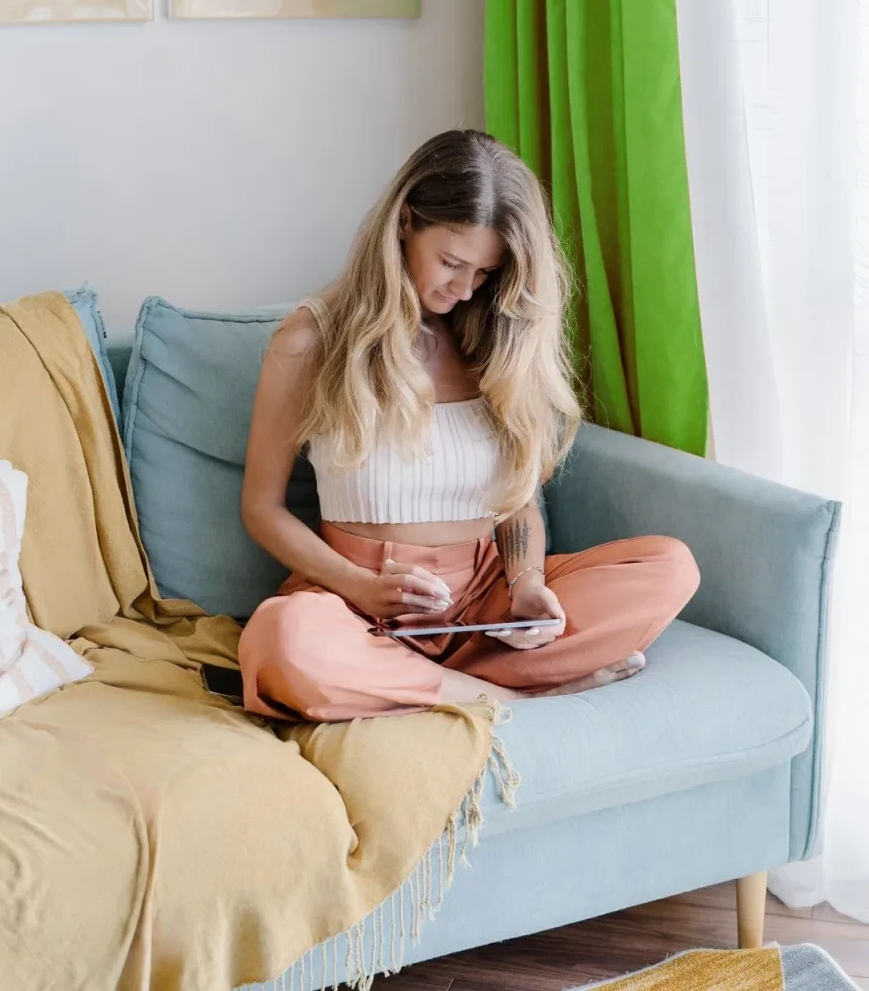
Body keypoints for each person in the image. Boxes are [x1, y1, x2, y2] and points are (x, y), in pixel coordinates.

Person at [239, 129, 699, 721]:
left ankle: (422, 686)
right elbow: (262, 509)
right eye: (451, 263)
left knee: (669, 567)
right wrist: (359, 585)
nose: (462, 289)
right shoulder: (310, 341)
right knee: (285, 639)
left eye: (484, 272)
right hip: (359, 606)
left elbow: (515, 500)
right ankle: (505, 696)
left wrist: (527, 583)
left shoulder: (489, 338)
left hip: (486, 607)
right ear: (405, 222)